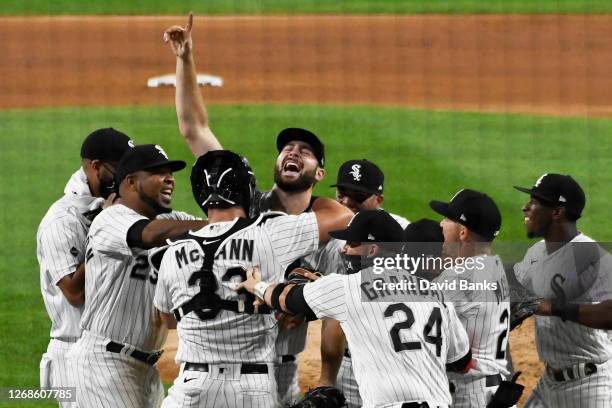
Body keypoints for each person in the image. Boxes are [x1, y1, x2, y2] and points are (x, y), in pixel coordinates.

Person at [164, 14, 335, 402]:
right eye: (287, 148)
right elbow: (194, 128)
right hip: (224, 353)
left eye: (305, 152)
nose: (293, 152)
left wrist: (304, 298)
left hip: (283, 366)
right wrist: (185, 58)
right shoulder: (245, 201)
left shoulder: (325, 231)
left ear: (319, 171)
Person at [152, 150, 352, 407]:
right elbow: (342, 217)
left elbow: (167, 319)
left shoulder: (173, 251)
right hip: (251, 388)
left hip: (191, 387)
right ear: (246, 190)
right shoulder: (269, 232)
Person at [239, 209, 473, 408]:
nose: (343, 249)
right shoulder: (436, 294)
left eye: (352, 243)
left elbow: (286, 299)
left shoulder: (347, 287)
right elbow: (463, 363)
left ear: (372, 250)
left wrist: (257, 286)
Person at [68, 144, 207, 408]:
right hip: (103, 365)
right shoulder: (109, 220)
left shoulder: (173, 220)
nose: (169, 179)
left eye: (171, 173)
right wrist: (212, 227)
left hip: (146, 371)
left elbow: (213, 236)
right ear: (131, 182)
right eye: (158, 172)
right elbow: (149, 234)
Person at [38, 128, 133, 407]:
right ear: (95, 167)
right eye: (120, 169)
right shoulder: (62, 220)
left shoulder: (119, 206)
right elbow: (73, 291)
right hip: (75, 356)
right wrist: (105, 227)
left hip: (114, 358)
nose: (126, 178)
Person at [512, 173, 612, 408]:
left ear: (557, 212)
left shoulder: (586, 255)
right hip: (549, 383)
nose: (525, 207)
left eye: (534, 202)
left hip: (590, 386)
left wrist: (553, 307)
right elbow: (515, 290)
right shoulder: (536, 253)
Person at [429, 189, 512, 407]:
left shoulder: (457, 278)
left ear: (463, 232)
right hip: (493, 391)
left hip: (469, 396)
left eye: (447, 218)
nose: (440, 224)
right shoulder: (495, 266)